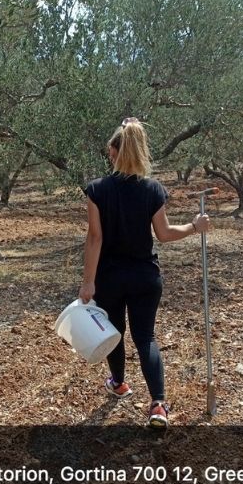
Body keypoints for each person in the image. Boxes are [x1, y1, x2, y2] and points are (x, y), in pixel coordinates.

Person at [79, 117, 211, 429]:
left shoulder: (97, 190)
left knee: (115, 335)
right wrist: (195, 226)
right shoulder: (153, 190)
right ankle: (158, 404)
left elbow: (95, 239)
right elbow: (164, 234)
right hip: (145, 278)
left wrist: (88, 281)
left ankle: (120, 384)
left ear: (113, 151)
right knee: (145, 337)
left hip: (110, 278)